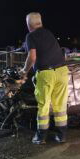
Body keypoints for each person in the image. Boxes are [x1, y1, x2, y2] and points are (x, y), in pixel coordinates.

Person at [20, 12, 68, 144]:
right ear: (40, 23)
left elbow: (32, 57)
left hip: (46, 74)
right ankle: (61, 136)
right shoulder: (49, 33)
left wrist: (24, 70)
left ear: (29, 25)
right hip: (62, 71)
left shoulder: (31, 36)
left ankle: (41, 137)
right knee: (60, 106)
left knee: (44, 106)